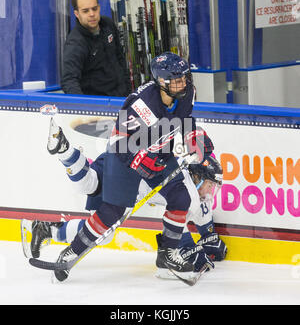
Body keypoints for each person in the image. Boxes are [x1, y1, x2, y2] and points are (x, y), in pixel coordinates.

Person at [28, 52, 218, 284]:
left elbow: (185, 119)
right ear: (161, 82)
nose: (184, 83)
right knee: (111, 213)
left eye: (185, 78)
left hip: (160, 153)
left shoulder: (188, 92)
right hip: (124, 156)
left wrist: (195, 140)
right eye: (177, 80)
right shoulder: (142, 106)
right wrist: (141, 161)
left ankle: (168, 255)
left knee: (181, 198)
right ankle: (71, 252)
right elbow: (120, 143)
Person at [61, 0, 131, 97]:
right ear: (76, 14)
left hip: (122, 100)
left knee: (125, 115)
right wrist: (86, 108)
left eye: (94, 9)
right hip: (100, 108)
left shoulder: (108, 24)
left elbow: (120, 58)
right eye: (85, 11)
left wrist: (128, 90)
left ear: (99, 8)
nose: (92, 14)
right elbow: (69, 81)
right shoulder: (75, 43)